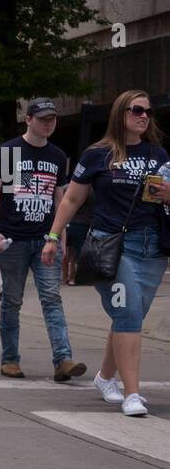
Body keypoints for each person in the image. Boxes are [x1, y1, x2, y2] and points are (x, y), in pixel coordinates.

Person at [44, 89, 170, 416]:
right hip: (111, 247)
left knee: (128, 315)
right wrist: (53, 236)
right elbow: (72, 199)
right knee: (128, 314)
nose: (144, 116)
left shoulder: (159, 155)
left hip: (152, 247)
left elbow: (164, 203)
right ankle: (132, 394)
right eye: (137, 110)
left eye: (148, 112)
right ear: (120, 114)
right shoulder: (97, 155)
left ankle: (105, 377)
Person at [0, 98, 86, 382]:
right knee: (12, 300)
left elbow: (59, 199)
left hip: (45, 240)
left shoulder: (57, 156)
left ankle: (63, 359)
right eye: (41, 118)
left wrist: (60, 236)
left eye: (52, 118)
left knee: (52, 298)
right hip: (12, 240)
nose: (48, 123)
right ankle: (10, 359)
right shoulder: (8, 151)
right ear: (27, 120)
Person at [62, 181, 95, 286]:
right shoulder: (92, 190)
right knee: (80, 253)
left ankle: (66, 277)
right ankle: (76, 278)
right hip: (85, 223)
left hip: (70, 223)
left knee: (69, 252)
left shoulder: (68, 188)